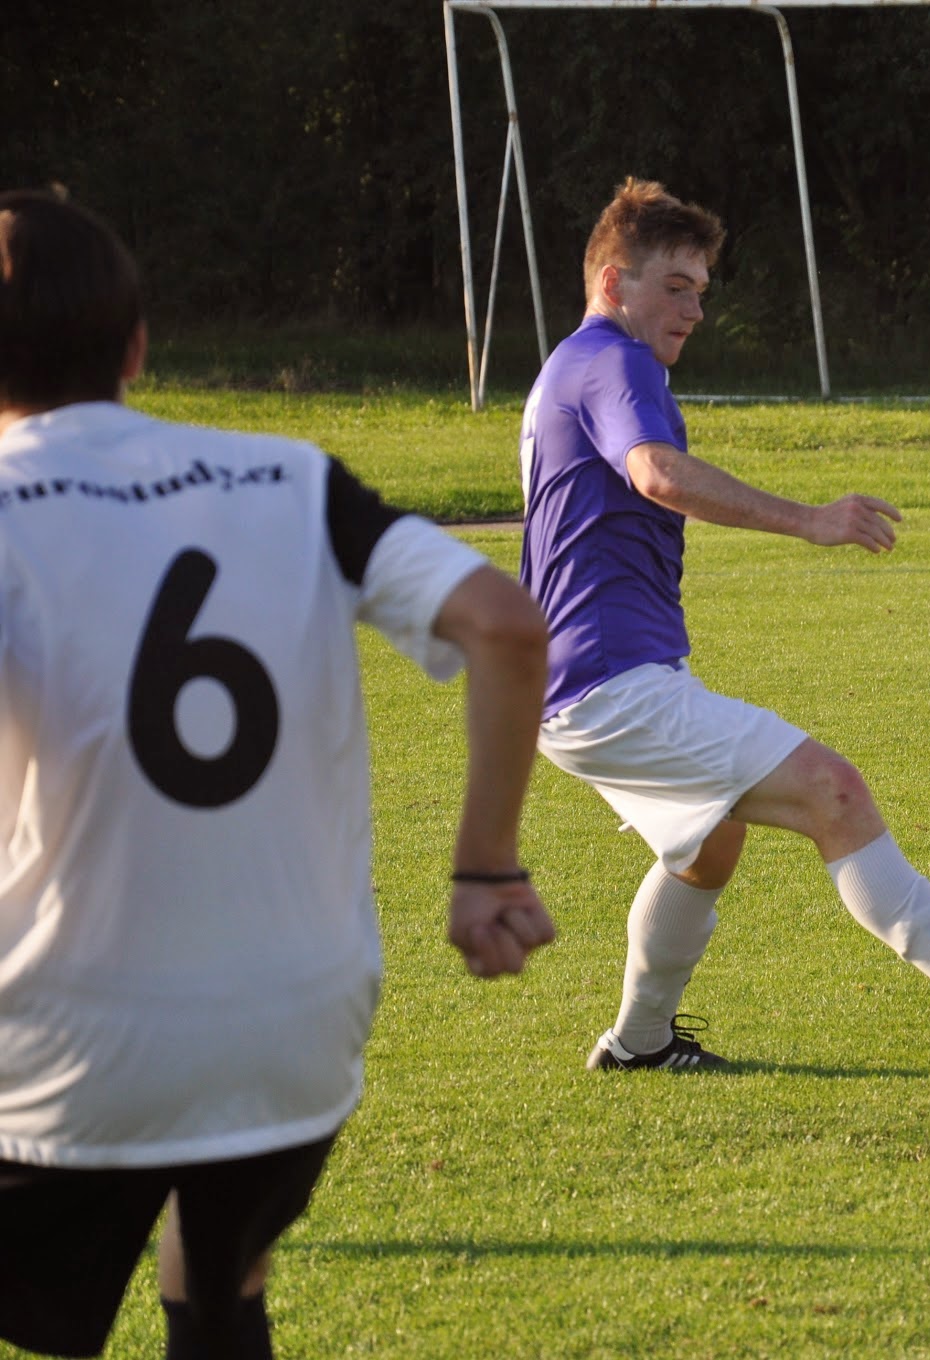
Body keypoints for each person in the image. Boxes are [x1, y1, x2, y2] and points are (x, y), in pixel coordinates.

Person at [0, 189, 558, 1360]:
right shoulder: (293, 480)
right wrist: (484, 869)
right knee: (222, 1271)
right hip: (292, 1027)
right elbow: (507, 624)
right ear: (137, 348)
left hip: (64, 1037)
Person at [519, 178, 930, 1073]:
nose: (695, 309)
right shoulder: (614, 361)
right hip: (606, 682)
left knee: (711, 845)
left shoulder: (575, 365)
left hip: (581, 681)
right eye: (676, 286)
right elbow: (656, 473)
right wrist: (811, 519)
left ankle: (640, 1044)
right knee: (834, 792)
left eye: (702, 291)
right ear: (611, 283)